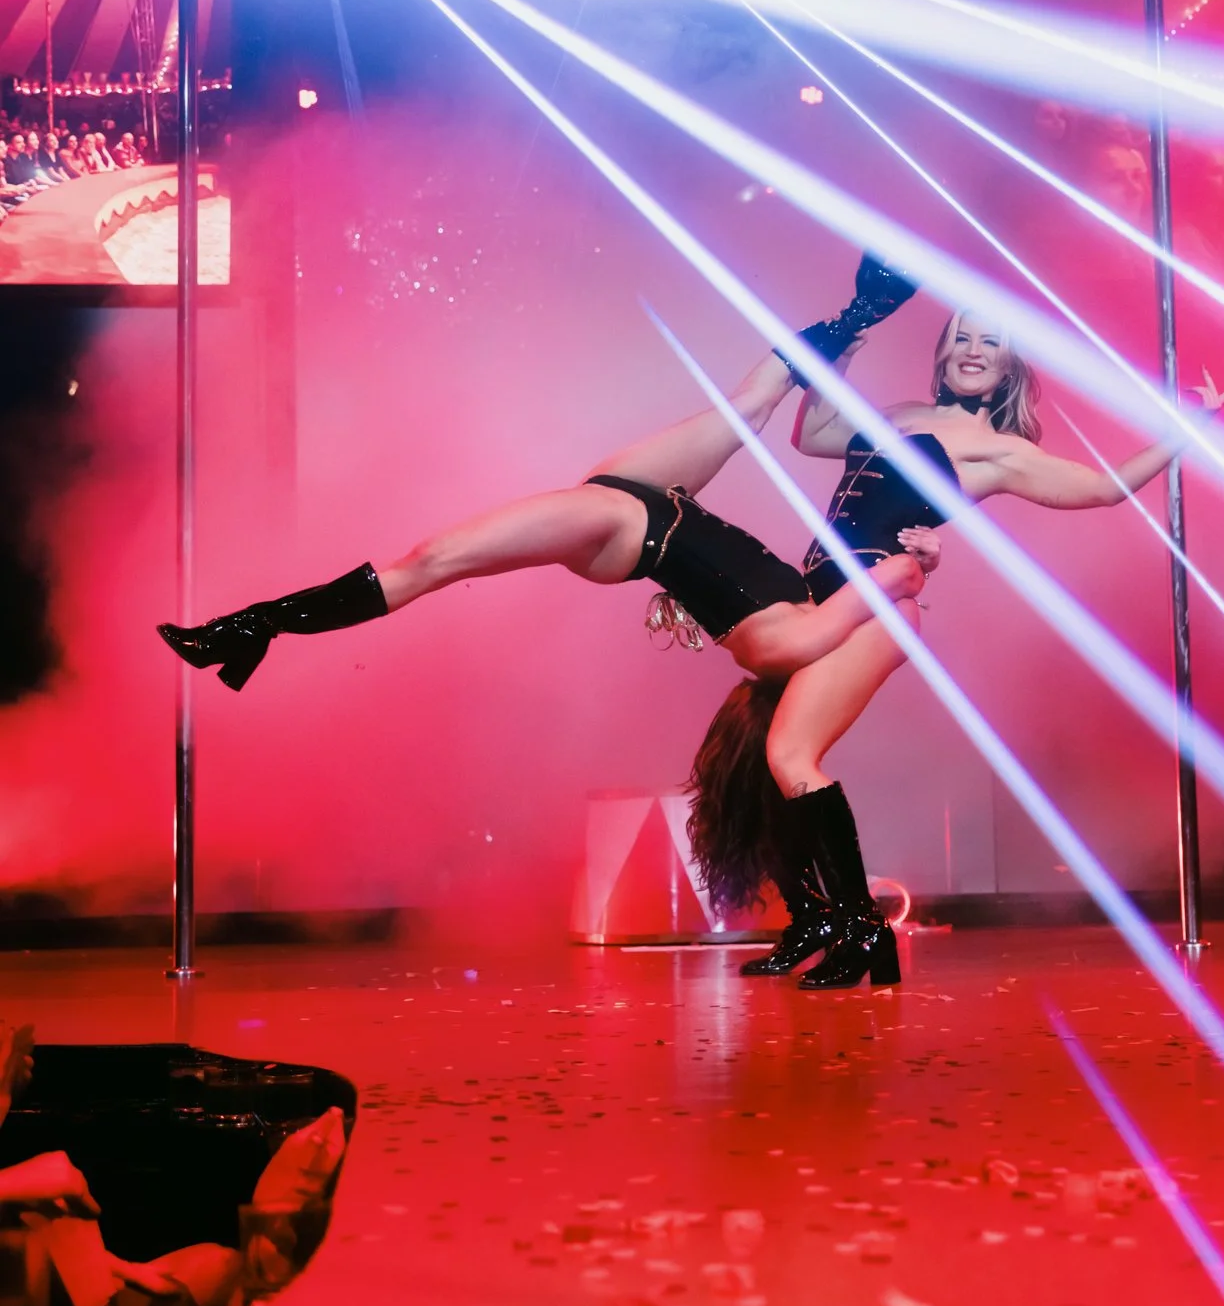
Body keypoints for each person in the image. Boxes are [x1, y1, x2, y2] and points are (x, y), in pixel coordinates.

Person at [159, 260, 927, 987]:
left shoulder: (783, 644)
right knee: (748, 404)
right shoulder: (788, 640)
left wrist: (901, 569)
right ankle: (863, 308)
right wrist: (906, 554)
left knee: (434, 558)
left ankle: (254, 627)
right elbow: (877, 578)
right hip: (650, 503)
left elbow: (879, 589)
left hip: (630, 520)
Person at [688, 309, 1224, 985]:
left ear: (1009, 366)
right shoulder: (901, 413)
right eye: (963, 339)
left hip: (878, 602)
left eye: (991, 343)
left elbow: (1101, 490)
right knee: (749, 754)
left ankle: (864, 934)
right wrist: (841, 354)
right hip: (820, 600)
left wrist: (1187, 428)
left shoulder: (999, 449)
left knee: (790, 754)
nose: (974, 351)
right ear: (944, 353)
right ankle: (811, 918)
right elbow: (813, 433)